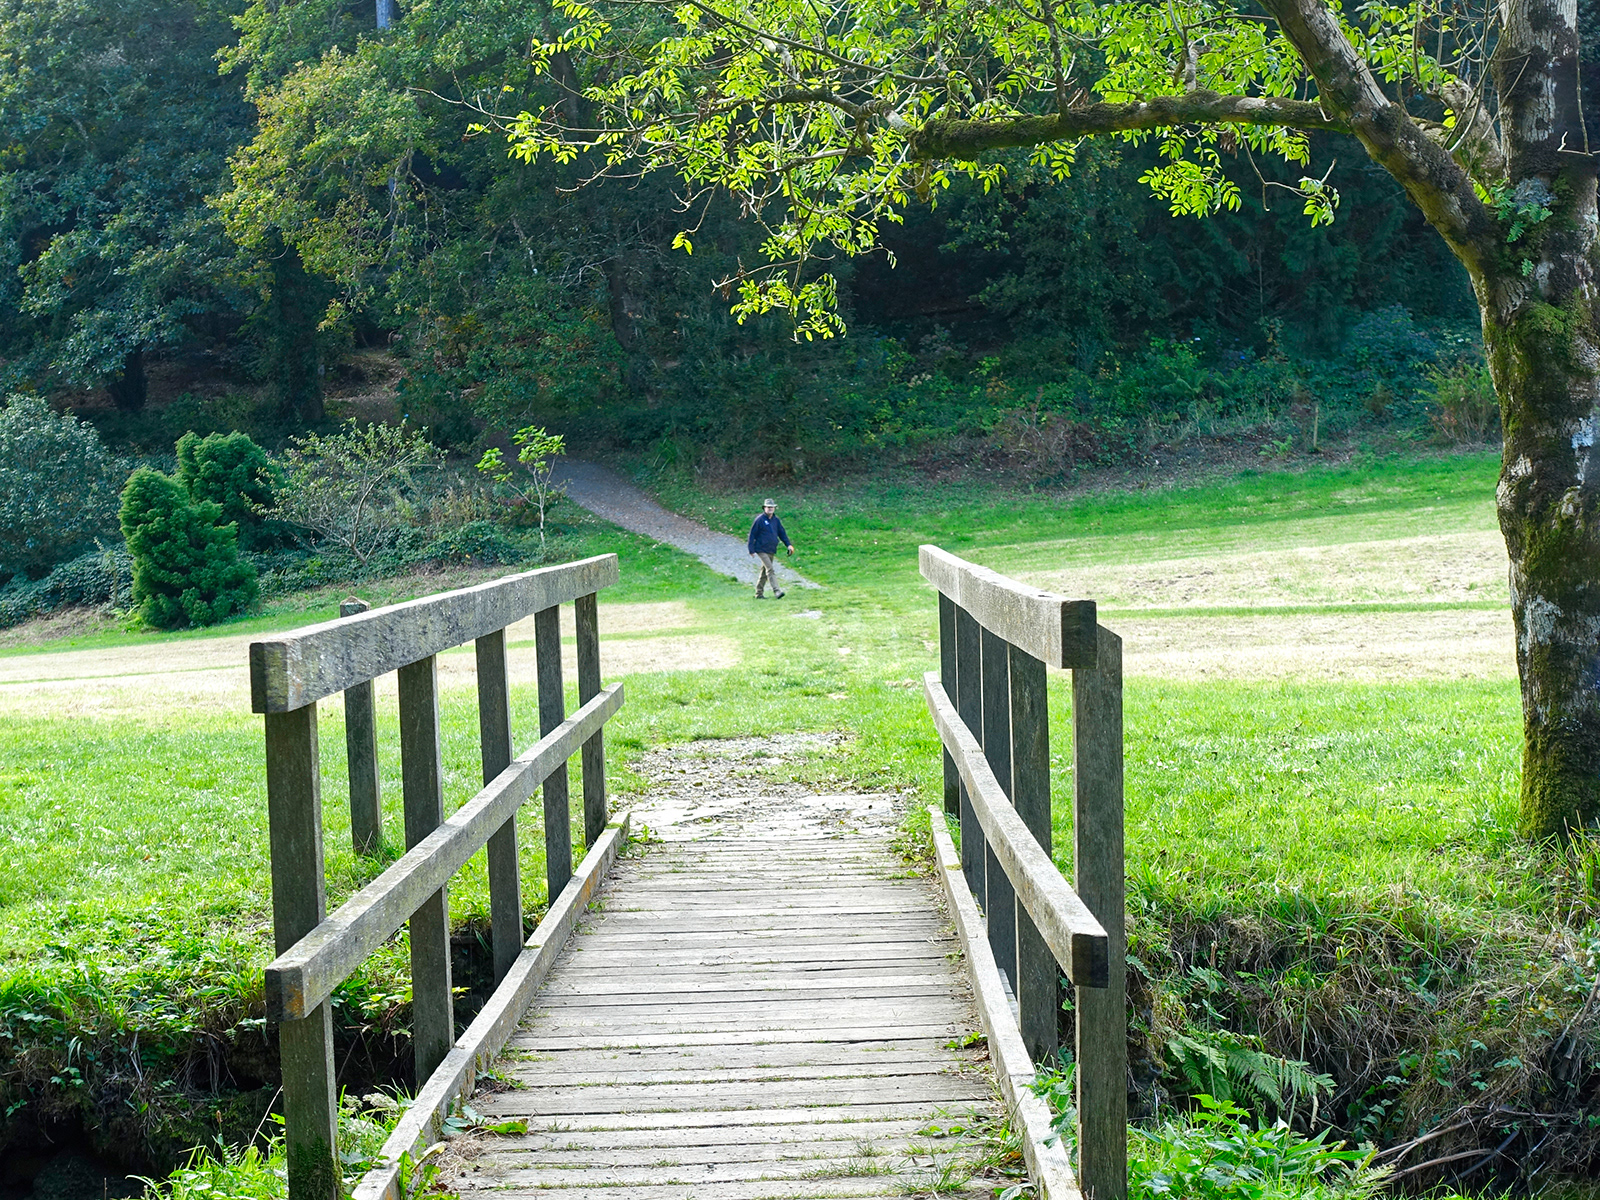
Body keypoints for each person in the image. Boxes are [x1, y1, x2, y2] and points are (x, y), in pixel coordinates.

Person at [747, 498, 794, 599]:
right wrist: (751, 549)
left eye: (772, 507)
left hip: (771, 549)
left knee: (764, 572)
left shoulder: (776, 520)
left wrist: (788, 545)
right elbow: (752, 534)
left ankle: (758, 594)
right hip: (761, 549)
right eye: (768, 507)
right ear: (764, 508)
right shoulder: (759, 520)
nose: (770, 509)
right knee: (770, 569)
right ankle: (777, 591)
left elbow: (782, 533)